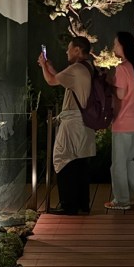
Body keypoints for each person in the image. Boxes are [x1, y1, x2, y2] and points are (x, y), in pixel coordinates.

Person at [38, 36, 97, 215]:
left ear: (77, 50)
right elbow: (63, 80)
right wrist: (50, 67)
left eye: (69, 48)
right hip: (86, 122)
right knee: (80, 162)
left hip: (73, 122)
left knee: (63, 159)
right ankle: (82, 205)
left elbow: (51, 81)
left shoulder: (76, 68)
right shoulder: (89, 67)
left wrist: (43, 66)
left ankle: (69, 205)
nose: (66, 51)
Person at [105, 31, 134, 210]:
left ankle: (121, 200)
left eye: (115, 44)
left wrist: (109, 83)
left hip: (123, 122)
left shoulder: (122, 68)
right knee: (128, 160)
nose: (114, 47)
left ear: (123, 46)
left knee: (117, 165)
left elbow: (121, 94)